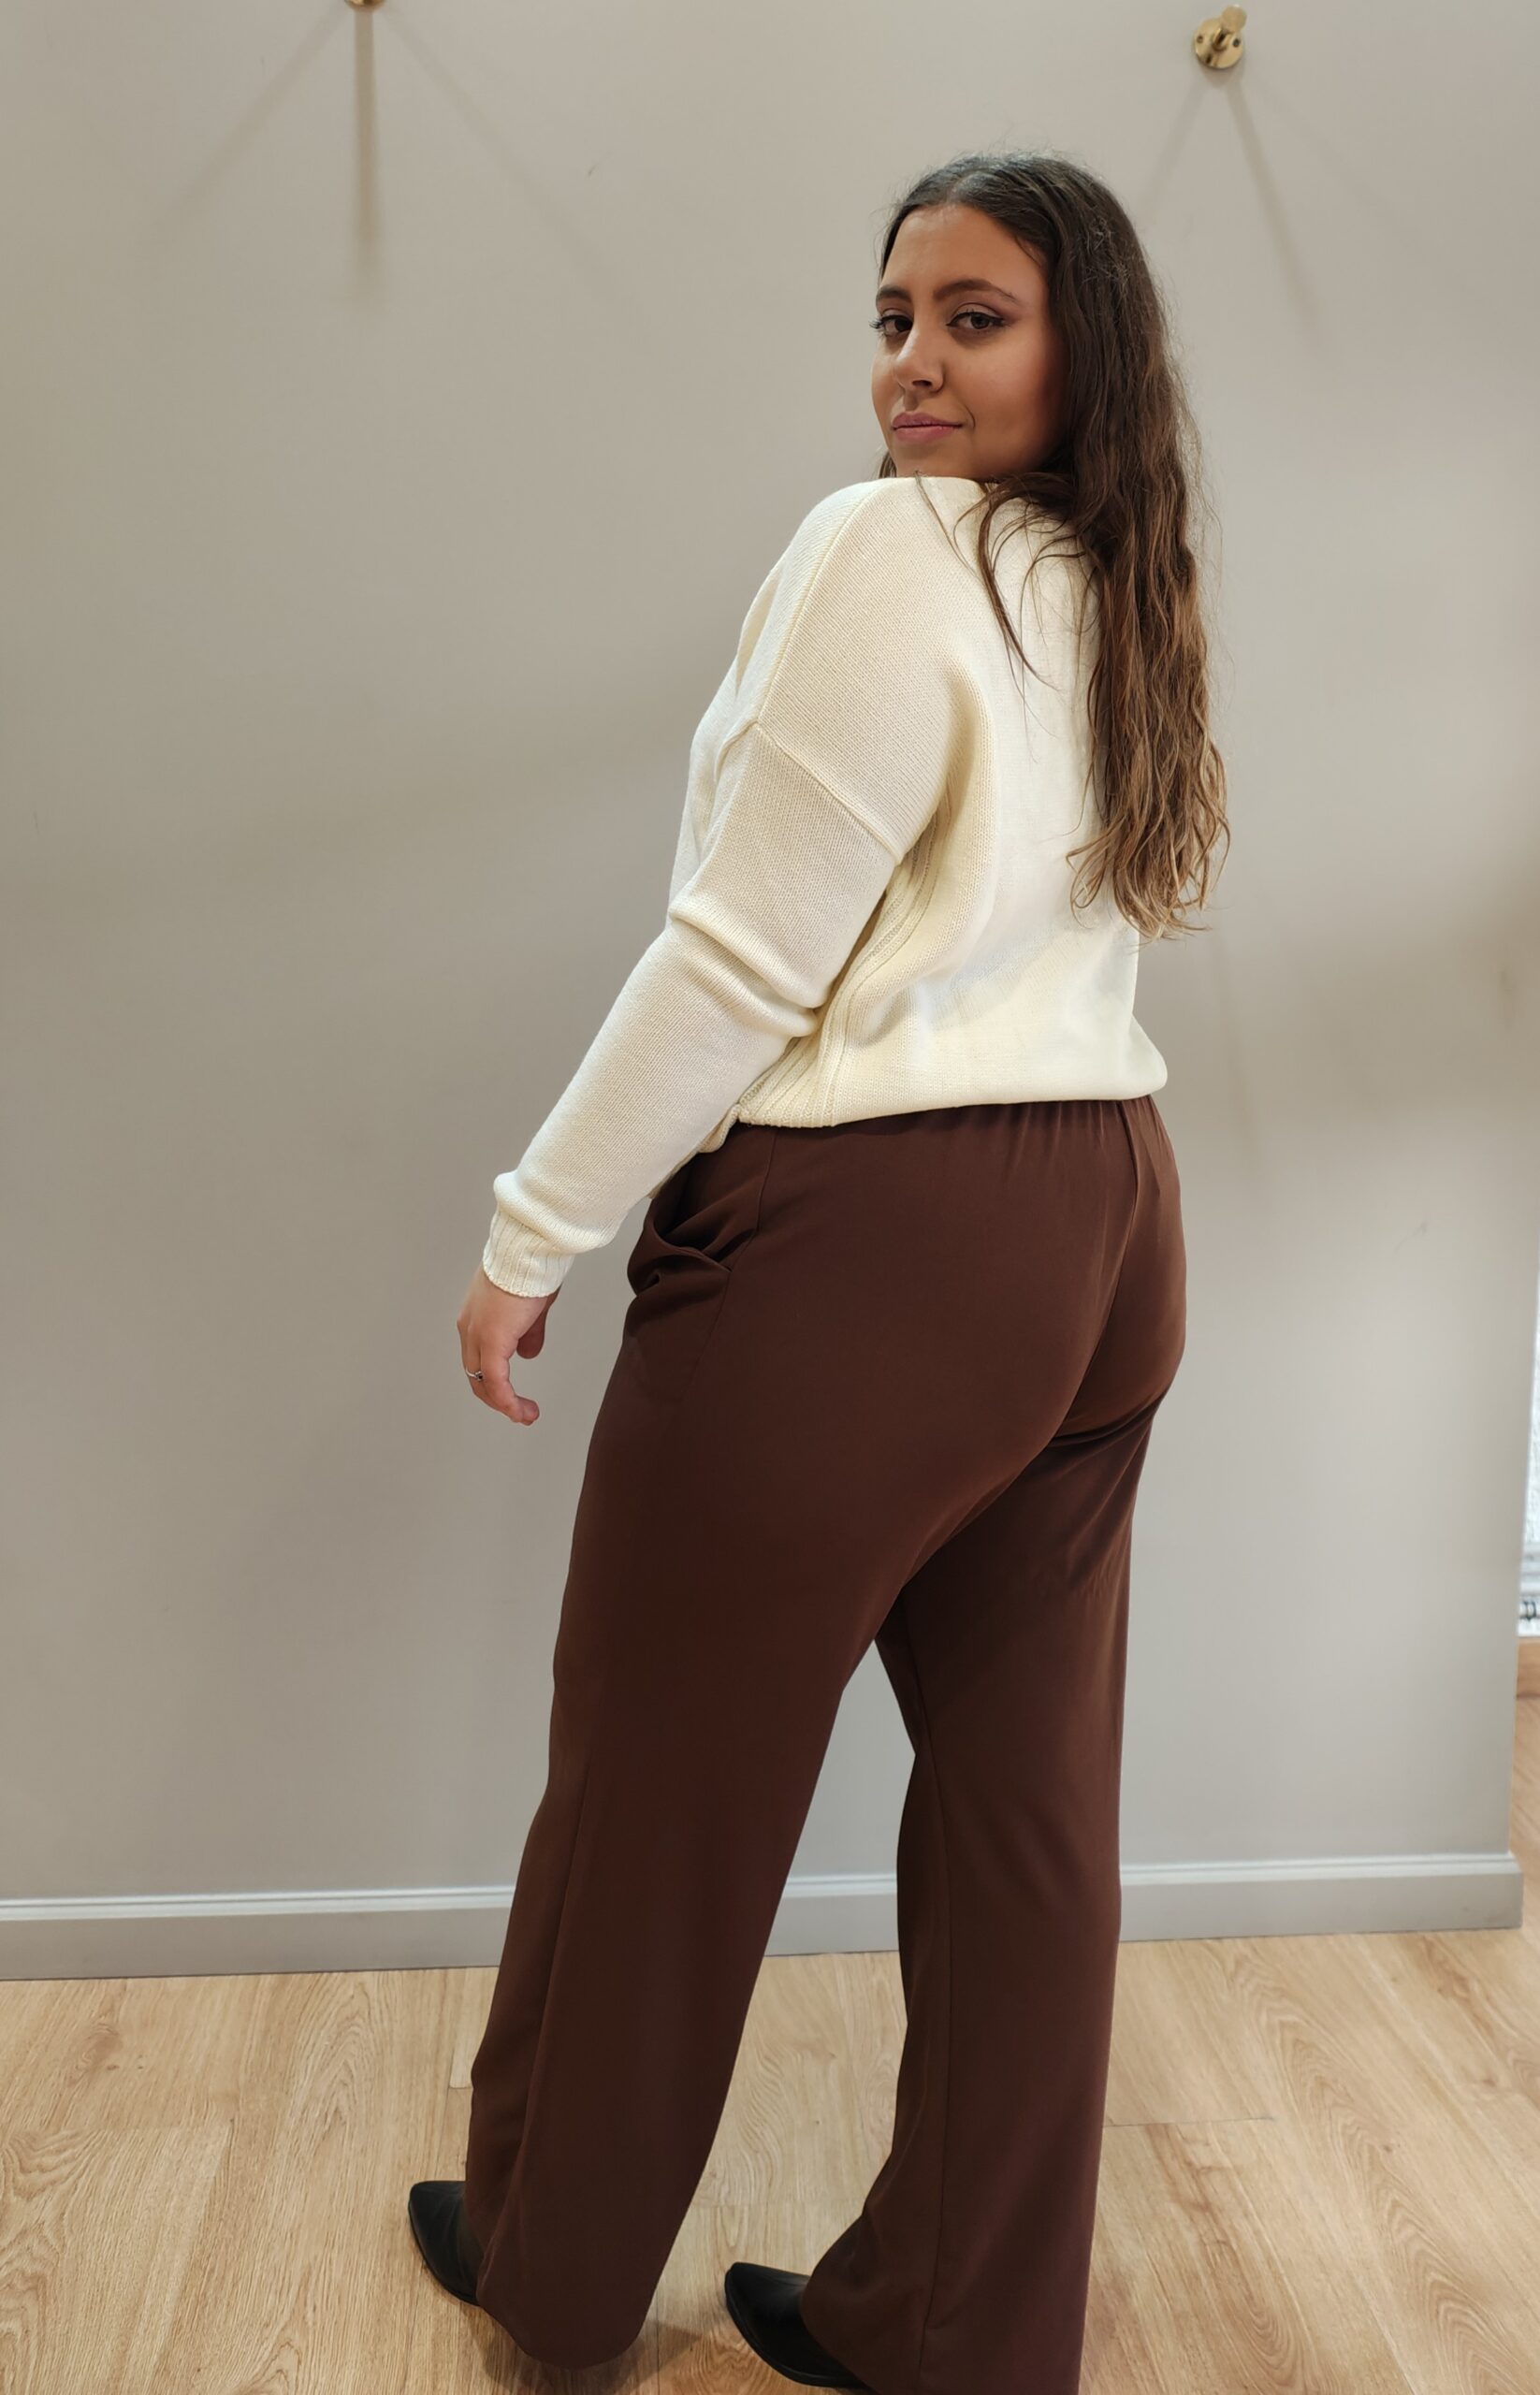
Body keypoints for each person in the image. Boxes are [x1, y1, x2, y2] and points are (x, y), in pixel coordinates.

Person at [410, 145, 1228, 2395]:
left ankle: (553, 2265)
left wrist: (531, 1231)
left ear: (1079, 346)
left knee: (656, 1782)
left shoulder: (886, 553)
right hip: (1104, 1223)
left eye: (973, 317)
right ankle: (957, 2321)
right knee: (1026, 1812)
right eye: (891, 318)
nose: (912, 366)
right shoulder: (1118, 578)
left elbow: (738, 955)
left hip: (871, 1246)